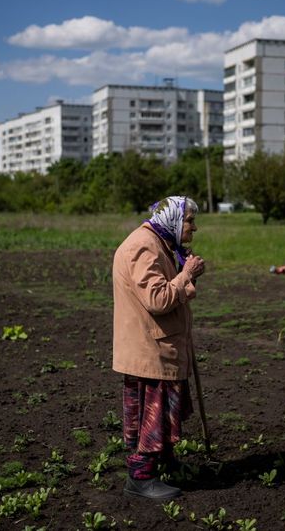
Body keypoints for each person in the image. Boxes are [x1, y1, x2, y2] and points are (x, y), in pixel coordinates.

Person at [112, 196, 206, 499]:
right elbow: (158, 299)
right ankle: (140, 476)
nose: (194, 227)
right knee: (152, 414)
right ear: (174, 220)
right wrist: (187, 274)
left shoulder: (160, 243)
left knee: (162, 411)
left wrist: (183, 268)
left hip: (156, 345)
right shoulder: (143, 246)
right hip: (149, 348)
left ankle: (164, 463)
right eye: (190, 221)